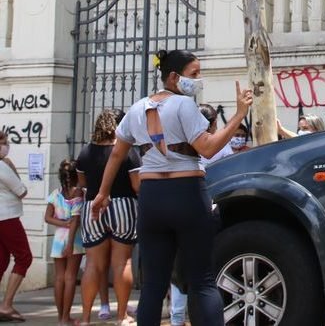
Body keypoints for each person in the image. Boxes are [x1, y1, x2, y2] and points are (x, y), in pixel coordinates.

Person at [91, 49, 253, 326]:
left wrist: (102, 193)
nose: (198, 80)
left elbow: (117, 154)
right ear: (175, 77)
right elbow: (209, 148)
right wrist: (239, 115)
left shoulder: (138, 107)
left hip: (152, 198)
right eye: (194, 74)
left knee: (153, 284)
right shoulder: (184, 105)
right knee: (202, 280)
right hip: (187, 193)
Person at [168, 103, 232, 326]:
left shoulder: (178, 143)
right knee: (204, 276)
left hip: (177, 207)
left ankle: (177, 318)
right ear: (213, 124)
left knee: (178, 269)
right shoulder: (220, 146)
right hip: (207, 208)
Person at [76, 109, 141, 325]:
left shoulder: (85, 153)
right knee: (122, 263)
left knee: (93, 264)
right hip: (123, 205)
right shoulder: (128, 151)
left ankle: (85, 318)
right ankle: (122, 316)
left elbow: (83, 184)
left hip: (92, 207)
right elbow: (136, 185)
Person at [45, 159, 84, 326]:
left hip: (57, 238)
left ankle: (61, 317)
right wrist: (70, 243)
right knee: (70, 278)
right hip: (73, 239)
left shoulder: (55, 194)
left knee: (59, 278)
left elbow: (47, 218)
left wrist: (62, 224)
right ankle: (66, 318)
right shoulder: (79, 195)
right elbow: (75, 222)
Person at [0, 131, 30, 323]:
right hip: (7, 217)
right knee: (24, 257)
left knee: (1, 260)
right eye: (2, 142)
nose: (6, 146)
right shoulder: (3, 166)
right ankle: (6, 304)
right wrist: (12, 167)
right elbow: (22, 191)